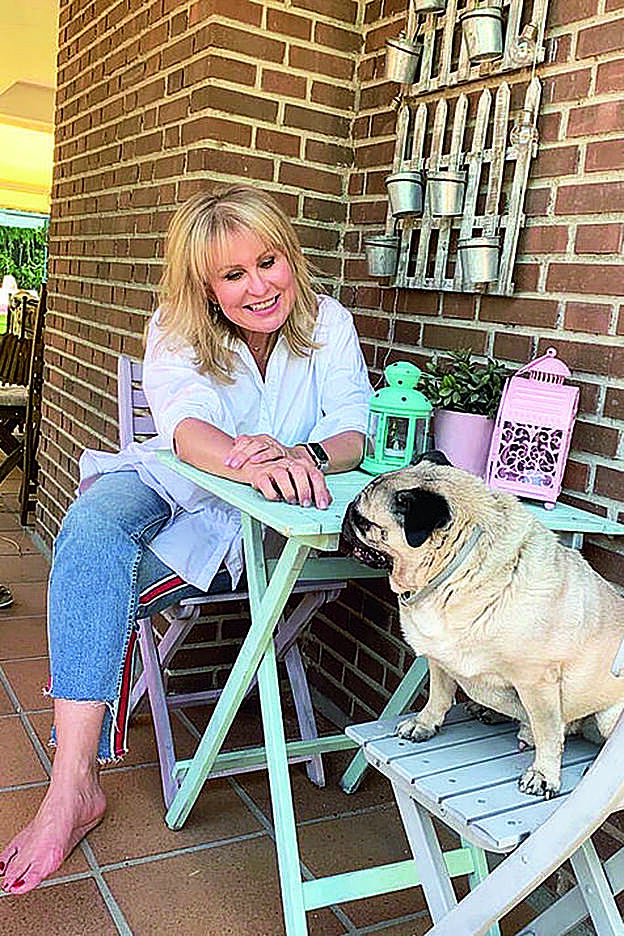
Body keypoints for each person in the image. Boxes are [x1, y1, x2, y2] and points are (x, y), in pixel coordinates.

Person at [0, 185, 373, 894]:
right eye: (234, 275)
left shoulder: (329, 322)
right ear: (205, 286)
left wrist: (311, 457)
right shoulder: (178, 325)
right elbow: (184, 423)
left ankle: (77, 776)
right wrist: (250, 453)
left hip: (251, 514)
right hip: (169, 479)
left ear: (288, 254)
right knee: (91, 530)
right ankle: (72, 786)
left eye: (269, 261)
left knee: (97, 581)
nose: (260, 286)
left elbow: (353, 425)